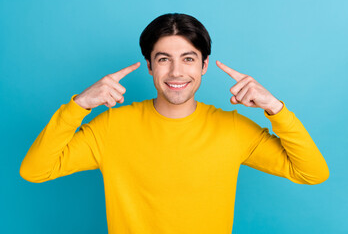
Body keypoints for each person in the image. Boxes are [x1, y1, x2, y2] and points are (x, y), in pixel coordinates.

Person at [19, 13, 329, 234]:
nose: (176, 72)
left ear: (205, 66)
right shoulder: (111, 126)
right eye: (164, 59)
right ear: (150, 66)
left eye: (189, 59)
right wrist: (79, 106)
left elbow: (312, 173)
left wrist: (276, 109)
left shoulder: (233, 129)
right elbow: (35, 171)